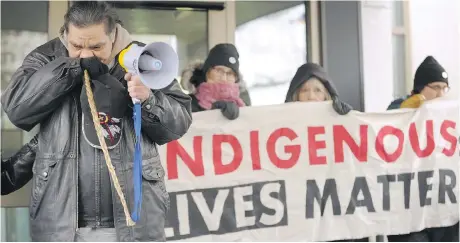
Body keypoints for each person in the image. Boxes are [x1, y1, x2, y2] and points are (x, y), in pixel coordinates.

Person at [0, 1, 192, 242]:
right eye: (76, 45)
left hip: (135, 223)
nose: (86, 53)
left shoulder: (142, 57)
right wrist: (71, 68)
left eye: (96, 46)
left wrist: (148, 99)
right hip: (63, 225)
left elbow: (179, 123)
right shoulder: (46, 57)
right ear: (65, 35)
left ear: (113, 36)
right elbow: (17, 109)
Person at [386, 56, 458, 242]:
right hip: (410, 207)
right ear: (418, 89)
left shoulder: (450, 114)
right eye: (435, 87)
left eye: (444, 87)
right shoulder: (401, 107)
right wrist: (405, 110)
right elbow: (385, 132)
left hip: (442, 202)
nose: (441, 93)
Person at [180, 43, 250, 120]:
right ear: (207, 71)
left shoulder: (244, 103)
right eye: (219, 70)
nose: (223, 78)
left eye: (230, 73)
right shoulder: (186, 105)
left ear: (236, 78)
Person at [284, 63, 352, 115]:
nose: (311, 97)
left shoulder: (342, 121)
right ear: (295, 95)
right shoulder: (282, 121)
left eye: (318, 90)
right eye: (304, 90)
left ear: (326, 95)